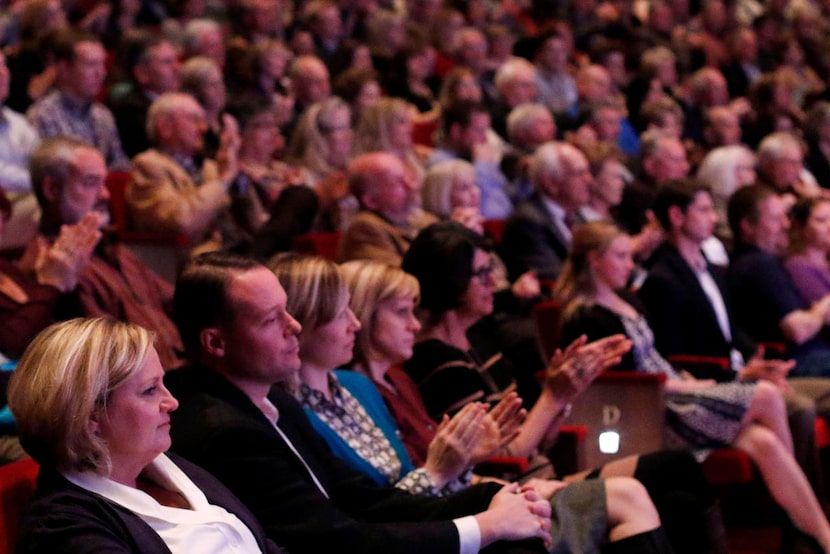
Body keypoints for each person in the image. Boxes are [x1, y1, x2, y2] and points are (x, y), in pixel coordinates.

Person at [165, 251, 628, 554]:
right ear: (216, 343)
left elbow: (363, 497)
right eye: (272, 320)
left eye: (291, 310)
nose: (295, 328)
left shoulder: (277, 405)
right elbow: (337, 538)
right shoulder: (224, 429)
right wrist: (484, 526)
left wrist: (486, 499)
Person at [556, 221, 830, 553]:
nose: (630, 265)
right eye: (621, 256)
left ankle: (811, 534)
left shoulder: (626, 300)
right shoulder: (584, 317)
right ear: (594, 260)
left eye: (630, 256)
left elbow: (660, 359)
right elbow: (618, 386)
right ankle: (808, 532)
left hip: (676, 392)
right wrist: (681, 385)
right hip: (653, 411)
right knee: (768, 394)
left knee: (765, 442)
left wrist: (685, 380)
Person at [8, 317, 283, 553]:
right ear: (89, 415)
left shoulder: (166, 464)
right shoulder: (63, 529)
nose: (172, 402)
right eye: (150, 390)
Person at [273, 253, 515, 496]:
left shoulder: (359, 386)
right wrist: (439, 472)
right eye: (340, 313)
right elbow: (369, 515)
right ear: (302, 321)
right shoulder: (289, 414)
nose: (355, 323)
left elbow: (413, 483)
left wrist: (460, 464)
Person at [30, 136, 185, 370]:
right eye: (91, 182)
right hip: (141, 388)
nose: (106, 194)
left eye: (104, 183)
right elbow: (106, 356)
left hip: (182, 371)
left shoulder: (114, 249)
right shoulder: (50, 266)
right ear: (51, 189)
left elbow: (176, 302)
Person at [26, 29, 128, 169]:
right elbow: (51, 175)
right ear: (64, 69)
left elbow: (120, 167)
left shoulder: (103, 115)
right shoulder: (43, 116)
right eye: (91, 64)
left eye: (102, 64)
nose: (101, 73)